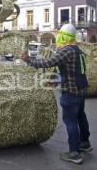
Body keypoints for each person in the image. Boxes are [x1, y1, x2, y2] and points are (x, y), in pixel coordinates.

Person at [21, 24, 92, 165]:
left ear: (64, 36)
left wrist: (28, 60)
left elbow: (48, 62)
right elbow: (73, 71)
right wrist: (57, 79)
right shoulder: (79, 50)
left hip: (71, 92)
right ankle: (85, 143)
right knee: (81, 116)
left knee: (70, 121)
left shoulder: (66, 50)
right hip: (82, 90)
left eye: (60, 34)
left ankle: (74, 152)